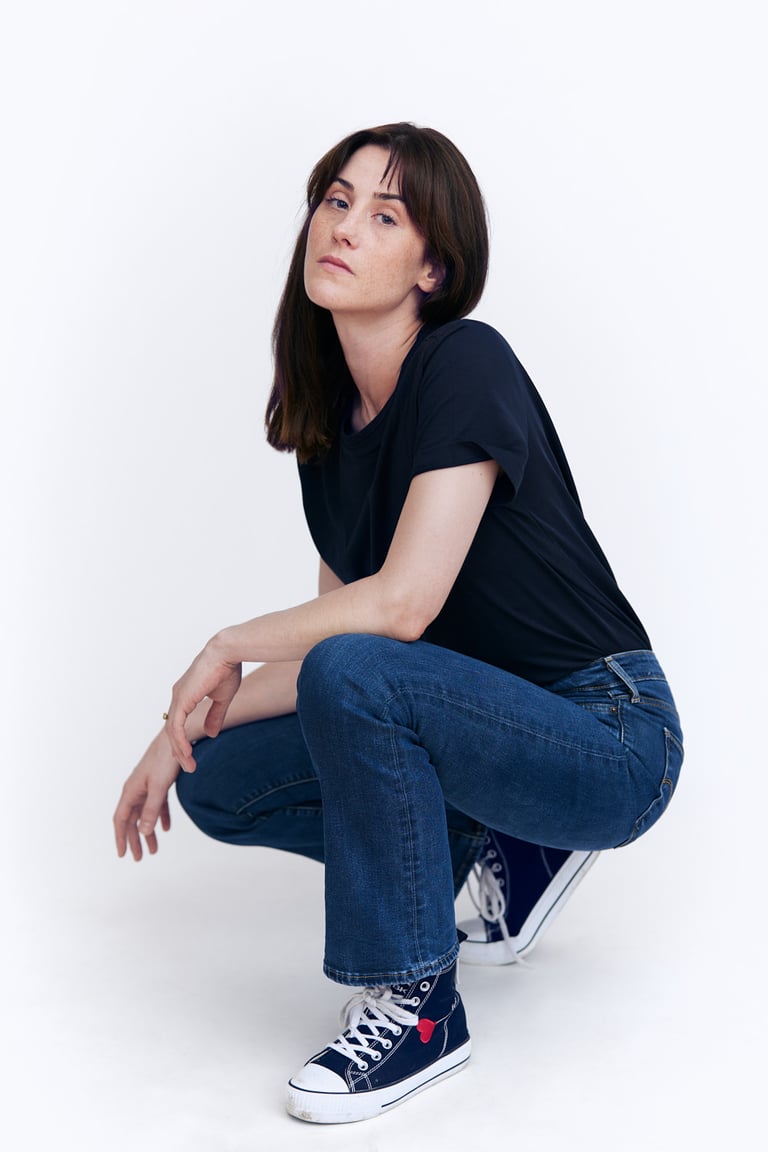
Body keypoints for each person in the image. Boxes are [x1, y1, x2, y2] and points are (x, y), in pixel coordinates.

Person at [114, 122, 683, 1125]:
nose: (343, 228)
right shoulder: (329, 433)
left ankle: (420, 1004)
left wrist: (224, 644)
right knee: (222, 779)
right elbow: (347, 641)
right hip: (478, 720)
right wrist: (181, 731)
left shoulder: (466, 362)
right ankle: (497, 844)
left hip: (609, 733)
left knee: (354, 671)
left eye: (385, 216)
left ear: (433, 265)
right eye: (336, 202)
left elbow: (399, 610)